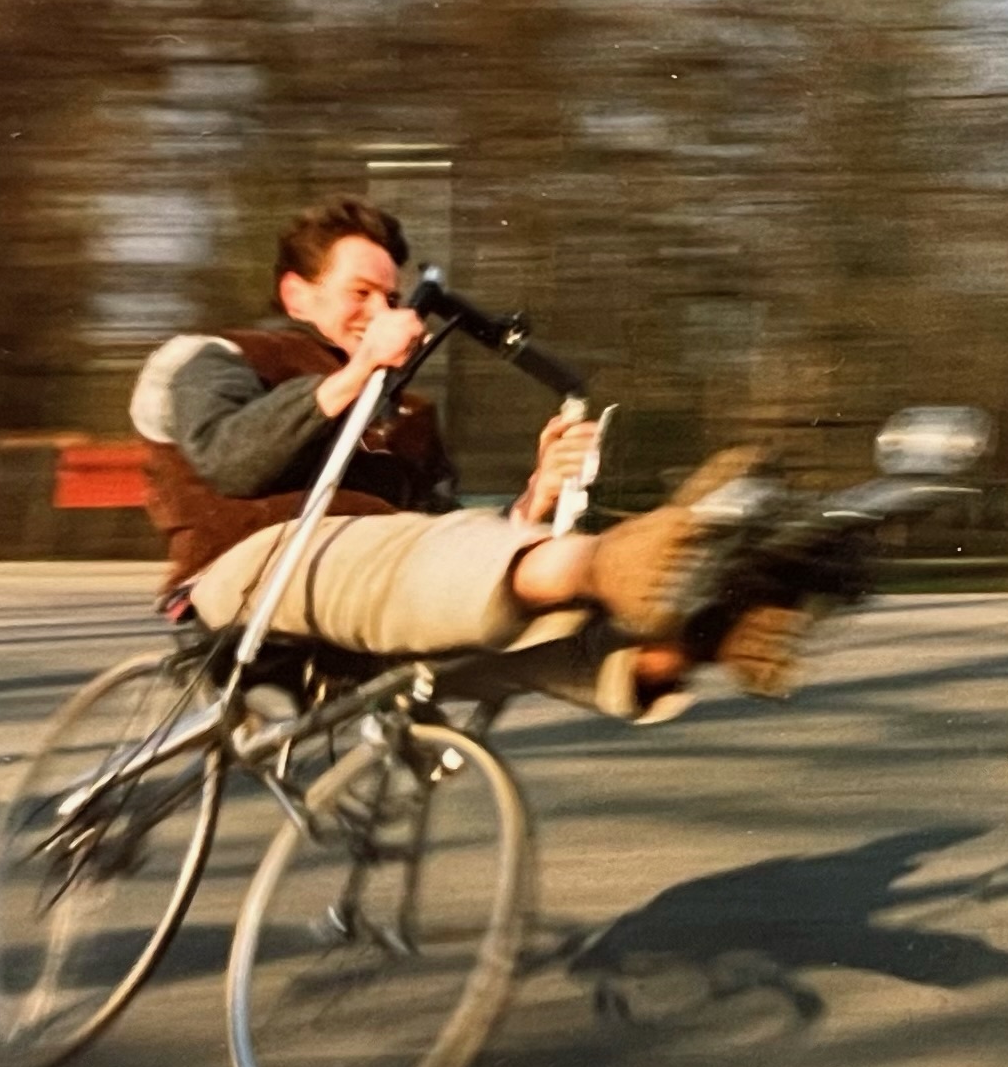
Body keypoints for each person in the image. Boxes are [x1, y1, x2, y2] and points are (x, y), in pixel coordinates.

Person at [129, 195, 801, 723]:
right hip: (253, 573)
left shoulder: (407, 411)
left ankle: (706, 629)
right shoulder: (221, 357)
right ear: (297, 295)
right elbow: (231, 459)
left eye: (391, 298)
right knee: (399, 560)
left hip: (370, 602)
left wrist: (536, 495)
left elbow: (443, 539)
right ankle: (624, 556)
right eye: (360, 293)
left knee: (545, 636)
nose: (381, 311)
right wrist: (358, 371)